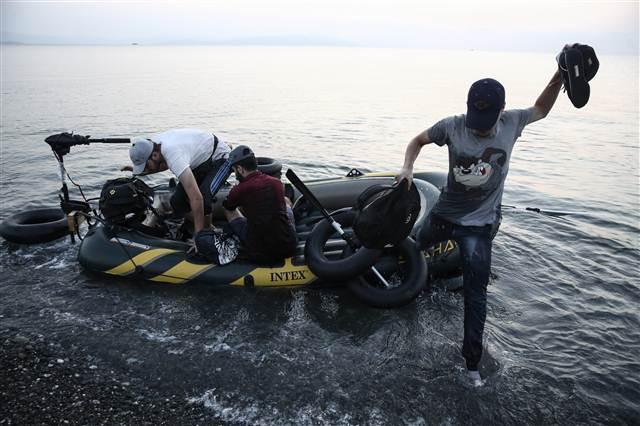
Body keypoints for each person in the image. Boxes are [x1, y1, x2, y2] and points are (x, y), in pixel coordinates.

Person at [396, 66, 564, 385]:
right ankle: (405, 277)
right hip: (444, 214)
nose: (481, 129)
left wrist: (559, 73)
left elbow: (541, 109)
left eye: (487, 124)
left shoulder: (512, 121)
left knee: (476, 296)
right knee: (416, 244)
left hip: (479, 228)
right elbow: (417, 140)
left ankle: (472, 366)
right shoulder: (452, 126)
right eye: (476, 121)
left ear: (502, 110)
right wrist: (407, 168)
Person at [123, 128, 231, 236]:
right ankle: (205, 226)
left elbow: (197, 198)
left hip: (220, 157)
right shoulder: (154, 146)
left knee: (204, 197)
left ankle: (205, 232)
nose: (146, 169)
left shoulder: (174, 155)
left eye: (145, 166)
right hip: (200, 161)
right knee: (177, 201)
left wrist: (198, 238)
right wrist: (139, 171)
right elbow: (158, 165)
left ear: (154, 156)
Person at [221, 145, 297, 262]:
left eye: (235, 170)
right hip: (288, 246)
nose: (235, 172)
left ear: (240, 169)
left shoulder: (239, 189)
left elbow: (228, 206)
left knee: (229, 209)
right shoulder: (277, 183)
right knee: (285, 203)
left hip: (259, 249)